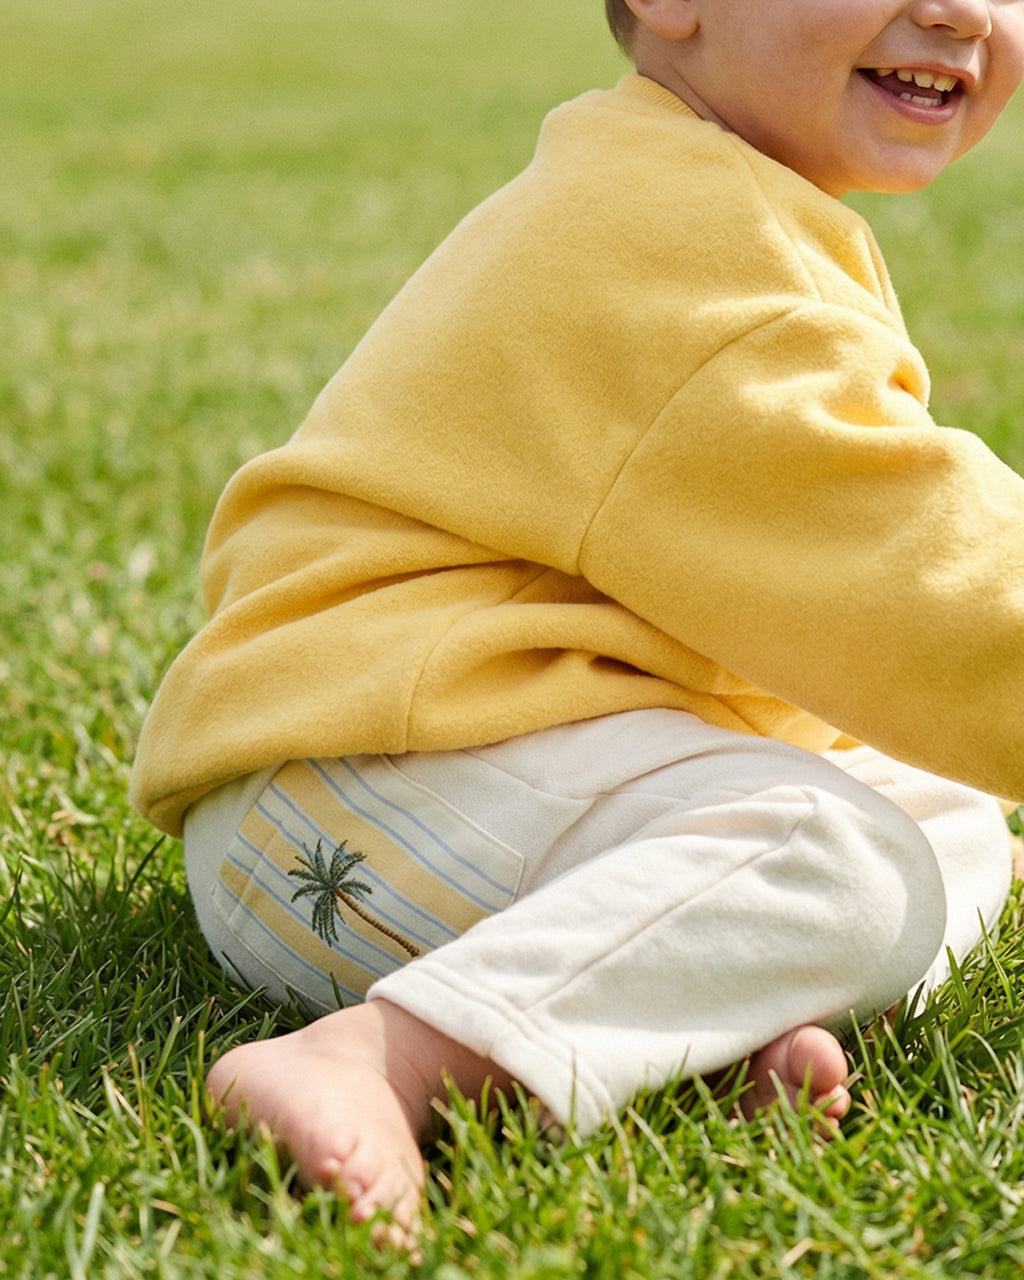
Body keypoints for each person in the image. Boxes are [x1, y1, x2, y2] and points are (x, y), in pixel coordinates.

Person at [131, 0, 1024, 1241]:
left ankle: (679, 1024)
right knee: (849, 860)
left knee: (944, 816)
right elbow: (938, 586)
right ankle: (376, 1059)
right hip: (344, 783)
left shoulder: (703, 191)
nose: (959, 13)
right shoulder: (682, 245)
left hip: (489, 754)